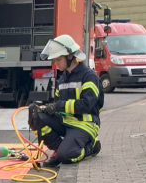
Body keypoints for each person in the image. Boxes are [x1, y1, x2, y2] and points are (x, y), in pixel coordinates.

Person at [29, 34, 104, 167]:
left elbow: (86, 104)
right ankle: (58, 149)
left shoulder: (89, 76)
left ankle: (91, 147)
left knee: (66, 156)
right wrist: (45, 108)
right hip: (66, 122)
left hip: (84, 124)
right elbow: (58, 105)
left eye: (58, 59)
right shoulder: (63, 78)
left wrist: (58, 106)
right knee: (36, 117)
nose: (55, 63)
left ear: (70, 56)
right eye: (54, 60)